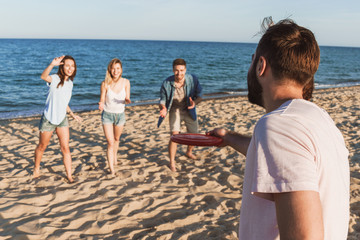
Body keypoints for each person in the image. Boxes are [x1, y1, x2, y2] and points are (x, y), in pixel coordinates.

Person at [209, 18, 349, 239]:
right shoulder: (320, 120)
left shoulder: (279, 126)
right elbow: (283, 159)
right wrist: (229, 137)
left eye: (252, 61)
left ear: (261, 66)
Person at [33, 55, 82, 183]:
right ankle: (36, 168)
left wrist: (72, 114)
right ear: (62, 66)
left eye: (72, 66)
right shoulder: (54, 79)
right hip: (48, 118)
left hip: (62, 119)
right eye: (67, 65)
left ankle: (69, 175)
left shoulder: (70, 84)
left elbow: (64, 102)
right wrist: (51, 65)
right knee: (42, 146)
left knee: (65, 148)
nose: (70, 68)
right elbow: (43, 77)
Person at [158, 58, 203, 172]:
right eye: (177, 70)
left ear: (185, 69)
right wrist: (162, 108)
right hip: (174, 109)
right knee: (174, 136)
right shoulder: (166, 83)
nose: (179, 73)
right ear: (173, 70)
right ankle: (172, 162)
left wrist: (194, 103)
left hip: (189, 109)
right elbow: (162, 100)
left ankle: (189, 152)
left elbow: (200, 95)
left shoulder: (192, 79)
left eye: (182, 70)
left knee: (194, 134)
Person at [99, 58, 131, 176]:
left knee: (117, 139)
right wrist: (101, 103)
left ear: (121, 70)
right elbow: (102, 98)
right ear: (109, 70)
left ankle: (115, 156)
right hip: (107, 115)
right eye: (113, 68)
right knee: (110, 142)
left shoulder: (126, 82)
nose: (115, 71)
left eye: (118, 68)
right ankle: (111, 169)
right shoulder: (105, 83)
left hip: (120, 115)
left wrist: (127, 100)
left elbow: (127, 97)